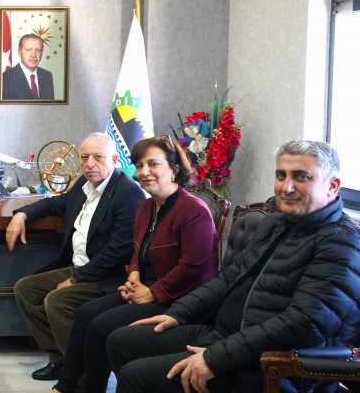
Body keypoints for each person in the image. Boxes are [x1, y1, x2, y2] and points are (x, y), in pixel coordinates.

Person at [107, 139, 360, 393]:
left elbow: (302, 324)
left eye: (301, 177)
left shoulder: (342, 242)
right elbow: (228, 278)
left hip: (267, 365)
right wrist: (178, 313)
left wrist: (215, 358)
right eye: (281, 175)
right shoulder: (275, 224)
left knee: (135, 376)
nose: (286, 187)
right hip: (224, 335)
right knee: (120, 340)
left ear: (332, 186)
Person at [53, 135, 219, 393]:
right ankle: (65, 387)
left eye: (153, 164)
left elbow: (193, 267)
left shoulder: (193, 210)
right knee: (86, 313)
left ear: (174, 170)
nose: (144, 172)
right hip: (145, 288)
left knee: (100, 326)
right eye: (140, 165)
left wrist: (153, 292)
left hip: (181, 298)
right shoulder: (145, 207)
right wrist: (134, 277)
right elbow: (136, 251)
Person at [7, 132, 144, 381]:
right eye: (84, 157)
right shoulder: (85, 184)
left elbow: (118, 251)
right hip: (78, 266)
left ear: (114, 160)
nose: (90, 163)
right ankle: (61, 359)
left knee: (56, 300)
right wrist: (21, 214)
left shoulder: (127, 192)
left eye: (98, 157)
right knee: (25, 289)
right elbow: (54, 204)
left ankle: (81, 371)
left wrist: (75, 279)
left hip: (108, 276)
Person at [1, 33, 55, 100]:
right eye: (28, 49)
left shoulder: (47, 76)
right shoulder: (5, 79)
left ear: (42, 52)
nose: (33, 55)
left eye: (38, 50)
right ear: (19, 52)